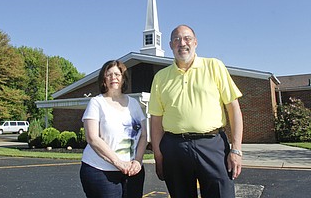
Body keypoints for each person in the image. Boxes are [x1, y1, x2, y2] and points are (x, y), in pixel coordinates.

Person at [148, 24, 243, 198]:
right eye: (176, 39)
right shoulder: (160, 77)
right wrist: (158, 156)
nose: (182, 43)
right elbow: (155, 120)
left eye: (187, 38)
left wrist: (236, 149)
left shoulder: (214, 66)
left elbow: (233, 108)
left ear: (196, 42)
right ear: (170, 45)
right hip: (174, 147)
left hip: (212, 145)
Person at [80, 60, 148, 198]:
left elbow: (144, 135)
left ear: (123, 78)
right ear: (103, 79)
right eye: (109, 75)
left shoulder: (133, 104)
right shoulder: (96, 103)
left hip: (132, 171)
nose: (113, 78)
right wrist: (118, 163)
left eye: (117, 74)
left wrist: (138, 161)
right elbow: (92, 138)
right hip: (100, 171)